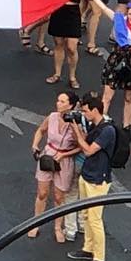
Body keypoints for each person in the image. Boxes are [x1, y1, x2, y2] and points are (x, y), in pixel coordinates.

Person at [67, 97, 116, 261]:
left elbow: (87, 150)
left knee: (95, 219)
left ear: (95, 110)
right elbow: (87, 140)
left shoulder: (108, 130)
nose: (84, 114)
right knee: (86, 214)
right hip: (87, 175)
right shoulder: (97, 126)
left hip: (98, 180)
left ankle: (99, 258)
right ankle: (88, 248)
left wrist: (76, 131)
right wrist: (79, 130)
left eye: (86, 111)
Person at [28, 92, 81, 240]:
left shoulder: (75, 123)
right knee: (42, 193)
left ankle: (58, 227)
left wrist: (65, 154)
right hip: (48, 155)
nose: (58, 103)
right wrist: (35, 145)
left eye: (62, 101)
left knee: (59, 196)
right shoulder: (51, 117)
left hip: (64, 159)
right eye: (58, 100)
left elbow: (81, 146)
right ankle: (35, 224)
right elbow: (41, 130)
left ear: (70, 105)